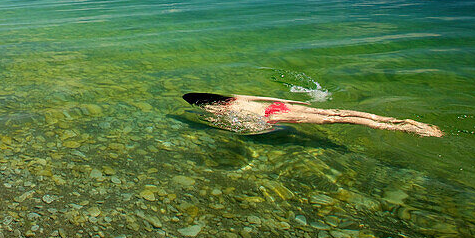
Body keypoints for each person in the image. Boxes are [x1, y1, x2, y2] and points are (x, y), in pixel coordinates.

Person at [182, 93, 443, 137]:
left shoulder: (215, 110)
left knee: (334, 120)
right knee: (333, 112)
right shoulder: (234, 98)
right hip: (278, 105)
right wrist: (295, 102)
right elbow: (258, 100)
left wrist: (265, 130)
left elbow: (240, 125)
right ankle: (389, 120)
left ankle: (400, 128)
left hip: (273, 117)